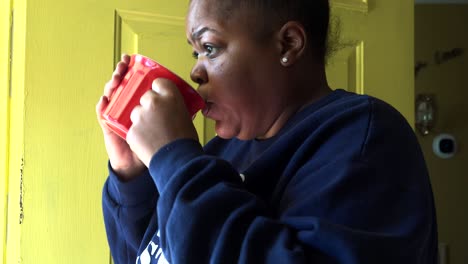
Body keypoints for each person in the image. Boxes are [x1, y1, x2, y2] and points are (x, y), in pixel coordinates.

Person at [96, 0, 438, 263]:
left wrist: (175, 162)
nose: (195, 70)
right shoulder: (215, 156)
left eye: (210, 48)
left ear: (287, 44)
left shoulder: (365, 137)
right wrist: (134, 175)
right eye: (195, 52)